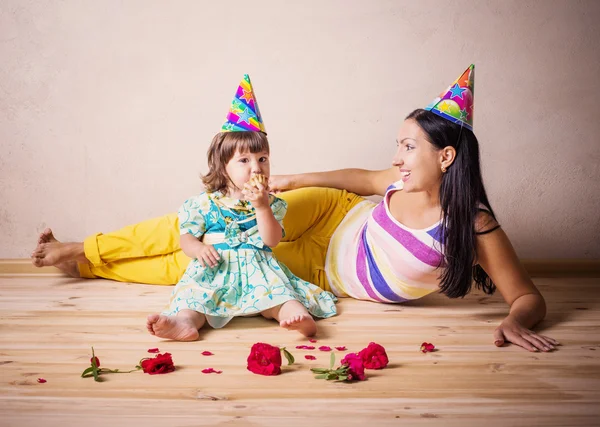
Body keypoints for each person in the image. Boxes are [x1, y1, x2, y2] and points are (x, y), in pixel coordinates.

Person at [32, 65, 558, 352]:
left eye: (408, 147)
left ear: (445, 157)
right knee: (206, 224)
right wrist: (295, 179)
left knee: (208, 260)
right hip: (327, 213)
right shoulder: (395, 179)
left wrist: (517, 319)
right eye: (397, 144)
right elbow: (357, 180)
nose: (396, 157)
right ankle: (85, 247)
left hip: (323, 273)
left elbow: (526, 296)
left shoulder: (472, 224)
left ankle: (84, 265)